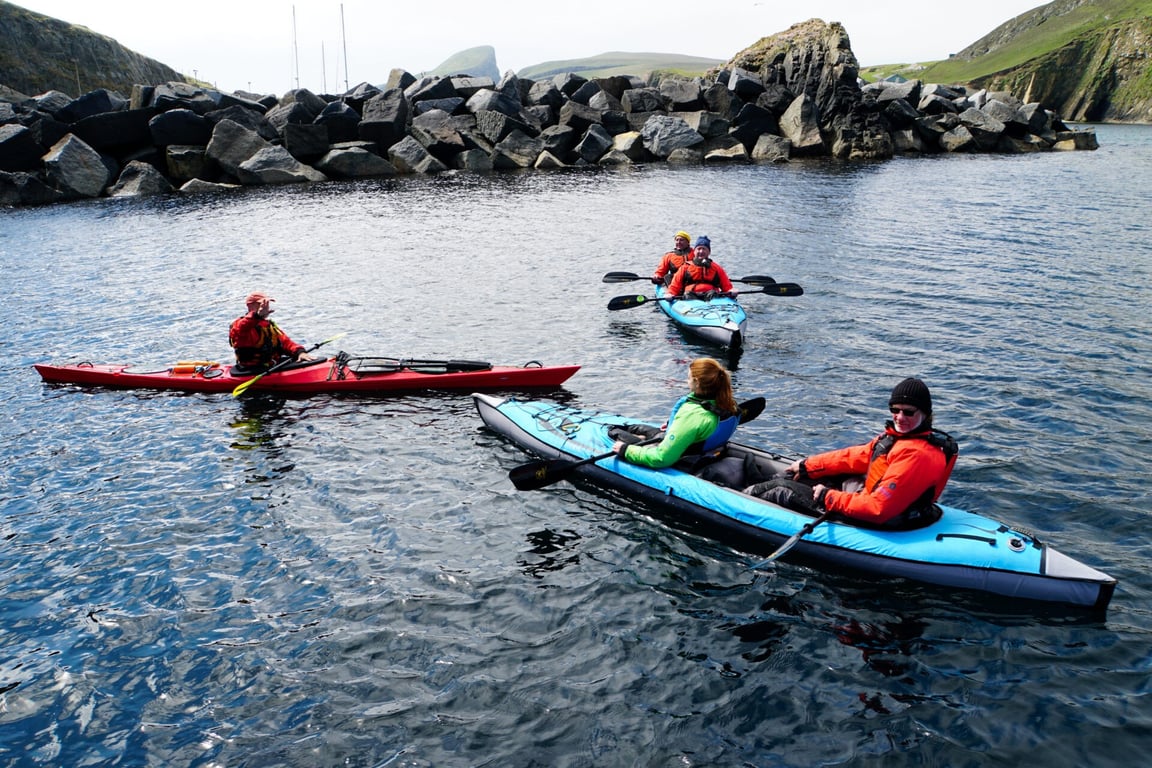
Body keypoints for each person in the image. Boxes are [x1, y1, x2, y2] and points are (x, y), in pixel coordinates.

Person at [745, 378, 958, 529]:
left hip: (885, 518)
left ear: (925, 414)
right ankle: (760, 482)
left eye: (908, 412)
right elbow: (854, 457)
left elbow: (878, 509)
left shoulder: (917, 455)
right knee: (809, 474)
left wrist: (830, 496)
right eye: (895, 410)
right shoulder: (901, 439)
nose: (900, 417)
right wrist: (806, 465)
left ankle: (742, 493)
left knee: (782, 489)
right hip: (872, 499)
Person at [612, 357, 739, 469]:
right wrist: (672, 424)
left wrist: (626, 450)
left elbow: (661, 458)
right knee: (636, 429)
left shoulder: (693, 415)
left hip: (683, 456)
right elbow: (701, 426)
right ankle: (641, 437)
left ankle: (627, 439)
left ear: (696, 382)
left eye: (688, 378)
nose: (686, 382)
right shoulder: (727, 403)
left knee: (615, 434)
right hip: (700, 447)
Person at [228, 292, 313, 372]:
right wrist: (256, 315)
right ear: (250, 306)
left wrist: (300, 352)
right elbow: (242, 326)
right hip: (252, 370)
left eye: (267, 304)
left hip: (272, 365)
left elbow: (286, 343)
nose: (265, 307)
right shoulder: (240, 325)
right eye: (260, 304)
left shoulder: (268, 325)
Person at [666, 236, 737, 300]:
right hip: (690, 297)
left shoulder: (716, 268)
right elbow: (675, 285)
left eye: (704, 249)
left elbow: (726, 285)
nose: (701, 251)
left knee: (712, 293)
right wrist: (670, 294)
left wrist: (730, 291)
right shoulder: (685, 268)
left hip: (711, 296)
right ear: (694, 251)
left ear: (709, 252)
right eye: (699, 249)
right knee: (687, 295)